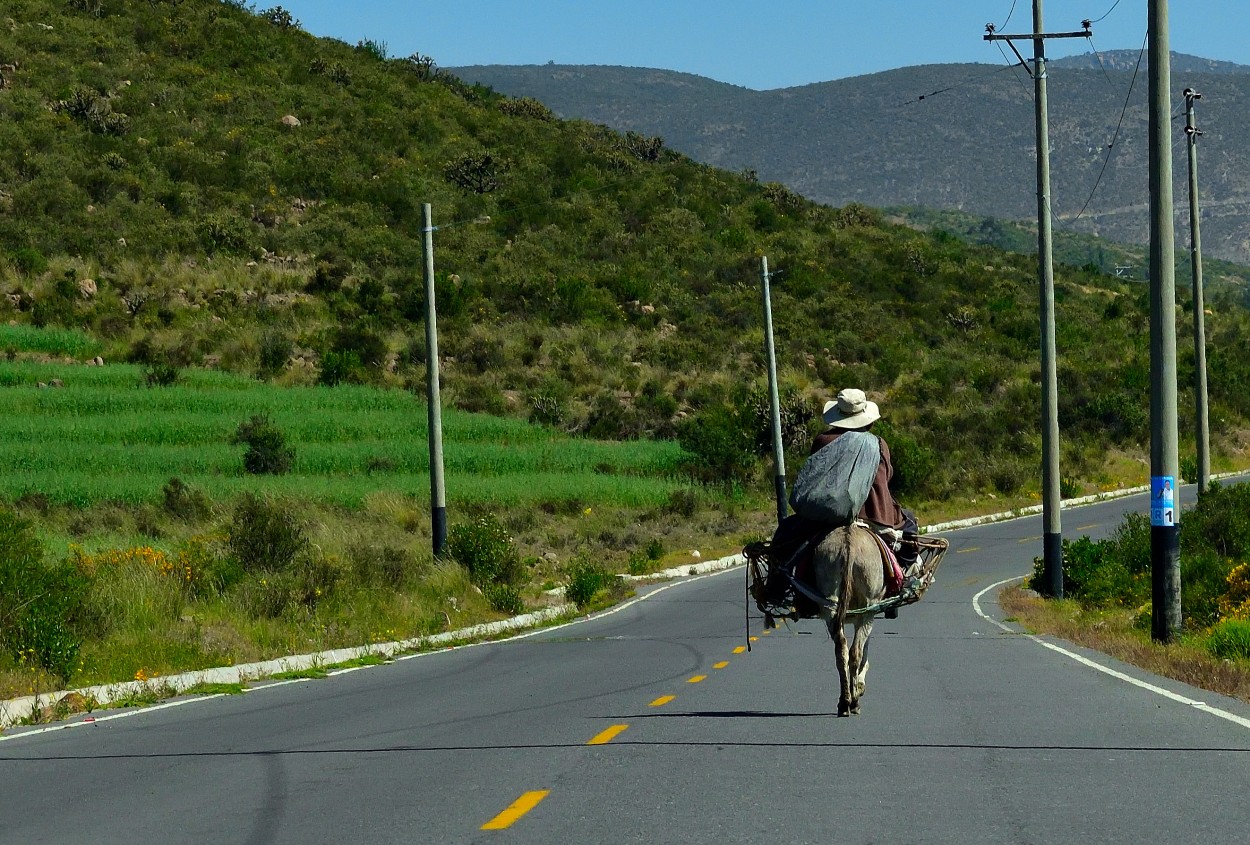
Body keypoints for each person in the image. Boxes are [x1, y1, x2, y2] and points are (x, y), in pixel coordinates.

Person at [810, 388, 920, 577]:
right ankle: (904, 570)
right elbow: (887, 476)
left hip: (826, 517)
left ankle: (777, 584)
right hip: (874, 515)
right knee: (910, 523)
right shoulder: (878, 443)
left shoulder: (822, 441)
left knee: (785, 535)